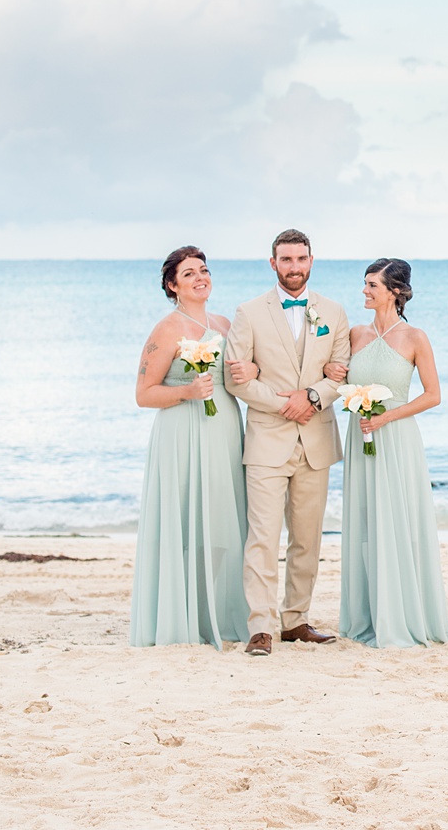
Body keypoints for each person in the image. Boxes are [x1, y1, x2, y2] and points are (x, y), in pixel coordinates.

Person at [224, 229, 351, 657]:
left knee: (307, 538)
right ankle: (262, 625)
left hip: (316, 439)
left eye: (301, 259)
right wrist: (286, 404)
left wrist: (312, 397)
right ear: (272, 263)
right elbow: (235, 379)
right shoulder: (248, 312)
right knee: (262, 536)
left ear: (311, 261)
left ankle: (295, 619)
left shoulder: (333, 311)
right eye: (286, 259)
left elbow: (342, 373)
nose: (294, 267)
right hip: (267, 442)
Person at [130, 246, 249, 648]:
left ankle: (216, 610)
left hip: (224, 429)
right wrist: (185, 392)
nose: (200, 278)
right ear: (172, 285)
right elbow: (144, 395)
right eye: (188, 274)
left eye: (204, 270)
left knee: (221, 519)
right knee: (184, 520)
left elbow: (237, 377)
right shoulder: (167, 329)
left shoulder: (224, 323)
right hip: (182, 432)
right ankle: (180, 616)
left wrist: (251, 371)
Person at [338, 258, 448, 647]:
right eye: (365, 284)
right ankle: (368, 612)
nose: (365, 291)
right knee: (366, 522)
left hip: (397, 438)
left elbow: (433, 395)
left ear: (396, 291)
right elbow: (334, 375)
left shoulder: (415, 337)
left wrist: (387, 418)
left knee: (398, 520)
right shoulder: (354, 335)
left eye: (372, 285)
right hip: (360, 438)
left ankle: (404, 612)